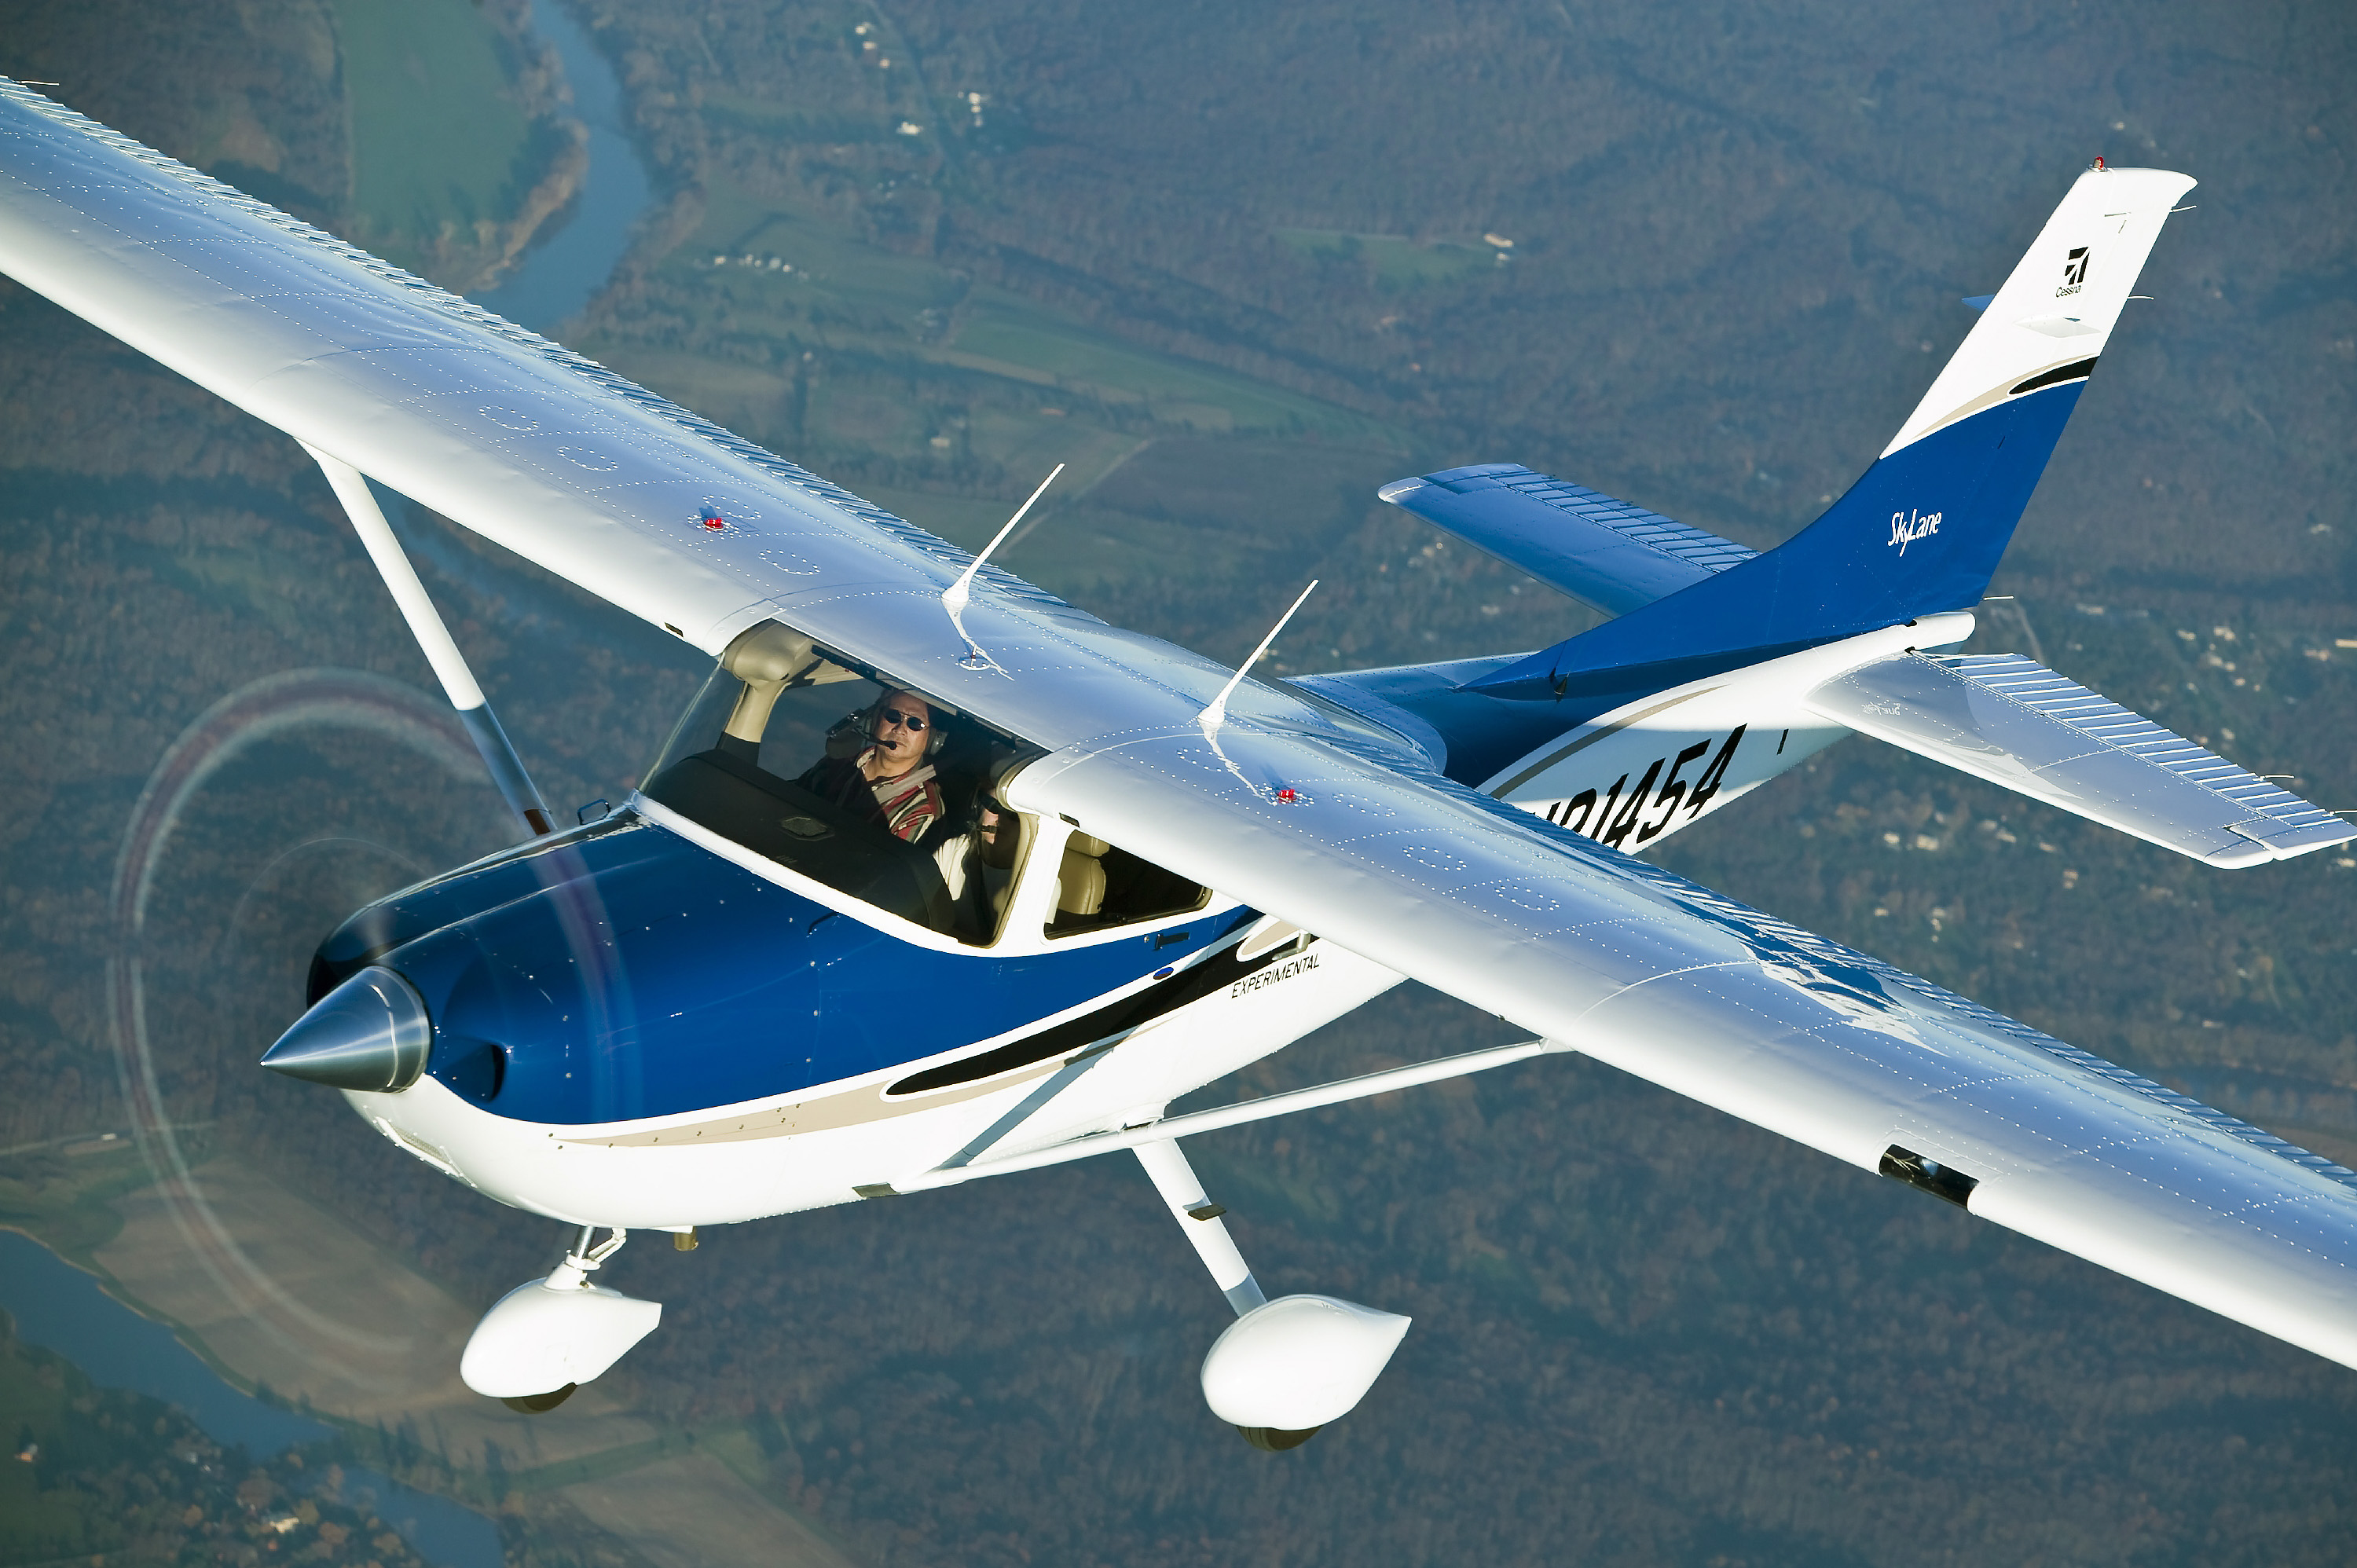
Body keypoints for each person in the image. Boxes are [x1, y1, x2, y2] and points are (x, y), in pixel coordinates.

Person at [796, 689, 948, 844]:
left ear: (933, 739)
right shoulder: (840, 762)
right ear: (874, 719)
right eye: (893, 716)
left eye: (915, 723)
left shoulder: (921, 809)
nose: (900, 729)